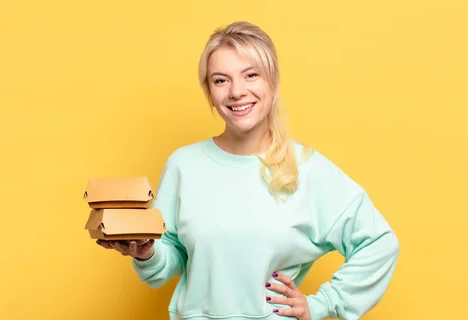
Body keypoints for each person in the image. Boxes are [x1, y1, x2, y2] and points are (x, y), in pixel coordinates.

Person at [97, 21, 400, 320]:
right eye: (221, 80)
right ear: (210, 92)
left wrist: (323, 304)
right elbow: (169, 258)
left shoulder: (308, 169)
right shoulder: (183, 165)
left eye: (251, 75)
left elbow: (379, 243)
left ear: (273, 82)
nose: (237, 91)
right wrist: (146, 251)